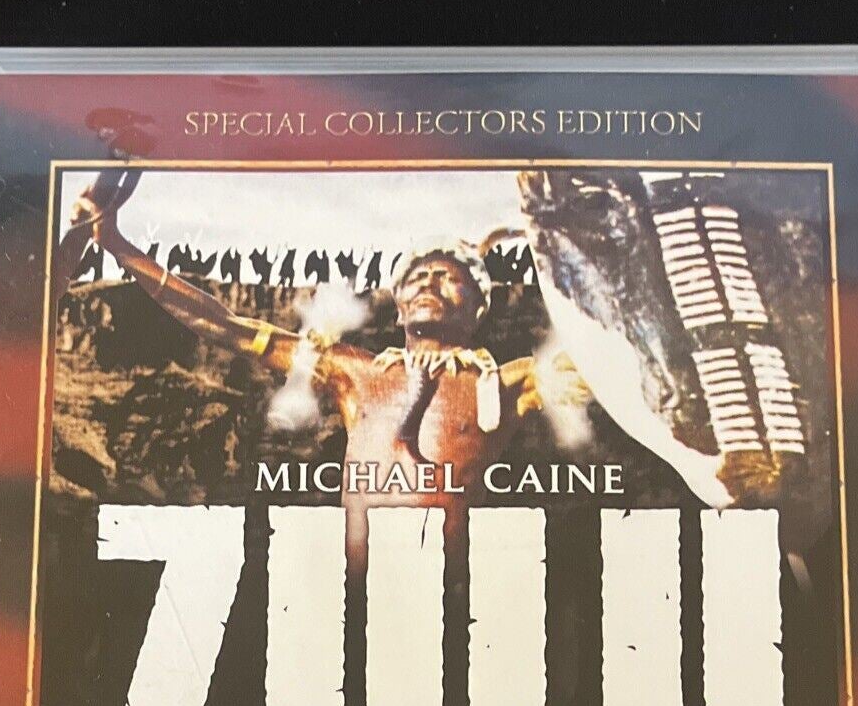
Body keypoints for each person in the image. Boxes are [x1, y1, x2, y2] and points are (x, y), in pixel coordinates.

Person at [66, 175, 587, 494]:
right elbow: (225, 326)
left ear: (478, 305)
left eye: (450, 277)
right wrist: (116, 244)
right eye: (419, 276)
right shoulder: (351, 371)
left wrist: (566, 234)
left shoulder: (511, 383)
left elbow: (612, 357)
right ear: (399, 307)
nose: (430, 282)